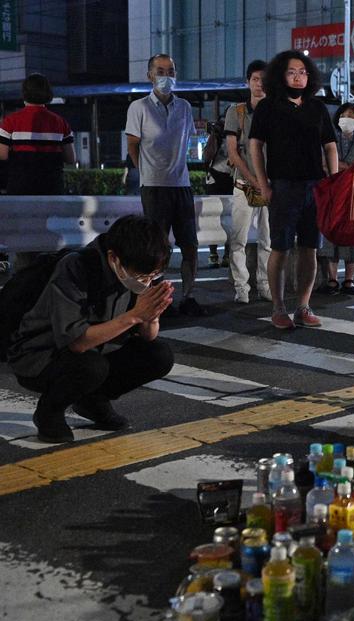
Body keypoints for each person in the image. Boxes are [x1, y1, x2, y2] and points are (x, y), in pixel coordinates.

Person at [7, 215, 176, 444]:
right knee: (91, 366)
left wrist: (151, 317)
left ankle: (92, 401)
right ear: (113, 258)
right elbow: (76, 341)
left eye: (152, 276)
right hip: (41, 354)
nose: (146, 281)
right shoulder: (77, 266)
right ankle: (49, 411)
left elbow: (148, 336)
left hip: (96, 351)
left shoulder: (143, 265)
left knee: (159, 355)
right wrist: (135, 315)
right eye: (141, 276)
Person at [249, 49, 339, 330]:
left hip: (315, 186)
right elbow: (255, 145)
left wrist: (334, 182)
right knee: (281, 248)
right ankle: (278, 308)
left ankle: (303, 306)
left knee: (310, 249)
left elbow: (330, 146)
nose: (298, 77)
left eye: (303, 72)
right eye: (291, 72)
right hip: (283, 186)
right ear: (280, 75)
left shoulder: (317, 107)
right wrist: (263, 183)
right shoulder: (268, 106)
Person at [126, 54, 204, 317]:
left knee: (190, 245)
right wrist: (145, 173)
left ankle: (189, 296)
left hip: (181, 185)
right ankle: (159, 302)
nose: (166, 76)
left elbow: (190, 142)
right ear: (149, 75)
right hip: (154, 187)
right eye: (160, 71)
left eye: (170, 70)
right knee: (157, 248)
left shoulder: (184, 107)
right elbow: (132, 145)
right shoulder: (139, 107)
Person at [224, 59, 272, 304]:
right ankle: (241, 288)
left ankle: (265, 285)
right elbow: (233, 153)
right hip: (244, 185)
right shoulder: (237, 111)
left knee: (268, 242)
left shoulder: (276, 112)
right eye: (255, 79)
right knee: (238, 240)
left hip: (271, 186)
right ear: (248, 82)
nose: (259, 84)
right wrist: (255, 180)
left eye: (263, 80)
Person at [0, 73, 75, 194]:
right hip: (52, 187)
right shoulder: (61, 123)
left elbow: (2, 155)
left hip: (20, 186)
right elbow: (70, 159)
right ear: (47, 93)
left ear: (24, 93)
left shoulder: (10, 122)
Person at [317, 102, 354, 297]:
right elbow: (324, 163)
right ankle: (332, 279)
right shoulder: (330, 139)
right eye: (345, 115)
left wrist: (339, 165)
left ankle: (349, 280)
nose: (348, 119)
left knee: (353, 237)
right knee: (331, 235)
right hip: (333, 193)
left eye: (352, 116)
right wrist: (347, 167)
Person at [202, 117, 233, 268]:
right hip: (215, 177)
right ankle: (213, 253)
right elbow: (206, 156)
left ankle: (227, 253)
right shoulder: (217, 135)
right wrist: (215, 134)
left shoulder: (238, 133)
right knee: (214, 216)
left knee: (230, 217)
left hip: (232, 177)